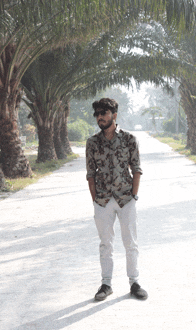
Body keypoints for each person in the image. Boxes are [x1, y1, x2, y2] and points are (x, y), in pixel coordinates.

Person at [86, 98, 148, 301]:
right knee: (106, 244)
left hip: (125, 199)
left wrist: (134, 195)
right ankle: (106, 284)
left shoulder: (129, 139)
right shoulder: (92, 143)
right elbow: (90, 173)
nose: (99, 117)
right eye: (97, 114)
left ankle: (134, 282)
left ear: (114, 114)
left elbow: (136, 168)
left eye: (103, 112)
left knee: (131, 242)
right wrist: (96, 199)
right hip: (103, 201)